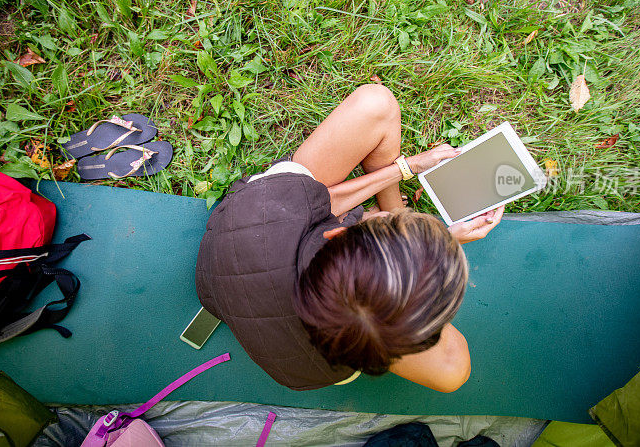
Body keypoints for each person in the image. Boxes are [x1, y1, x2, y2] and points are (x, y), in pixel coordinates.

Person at [195, 84, 504, 392]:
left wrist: (407, 168)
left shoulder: (276, 203)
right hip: (258, 285)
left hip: (228, 257)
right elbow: (453, 367)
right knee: (452, 372)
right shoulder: (279, 210)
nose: (387, 220)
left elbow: (322, 198)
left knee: (376, 104)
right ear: (337, 229)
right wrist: (444, 246)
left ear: (337, 232)